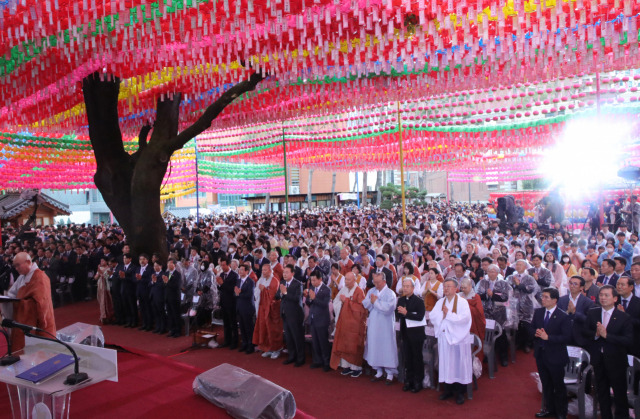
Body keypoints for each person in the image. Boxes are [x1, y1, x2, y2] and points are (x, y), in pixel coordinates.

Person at [583, 285, 633, 419]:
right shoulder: (593, 312)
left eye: (606, 295)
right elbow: (585, 331)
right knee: (601, 392)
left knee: (619, 394)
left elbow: (628, 340)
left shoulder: (624, 317)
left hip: (616, 361)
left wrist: (607, 335)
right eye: (601, 295)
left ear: (615, 298)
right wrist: (596, 334)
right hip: (598, 359)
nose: (603, 298)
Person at [430, 278, 473, 405]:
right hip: (444, 338)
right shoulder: (440, 302)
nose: (446, 289)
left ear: (456, 288)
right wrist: (442, 316)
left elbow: (464, 319)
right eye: (445, 286)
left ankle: (460, 392)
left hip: (457, 339)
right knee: (446, 364)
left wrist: (448, 315)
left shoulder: (462, 302)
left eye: (449, 286)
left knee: (458, 365)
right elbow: (433, 316)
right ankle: (447, 390)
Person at [530, 288, 571, 419]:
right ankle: (549, 408)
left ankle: (561, 412)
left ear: (555, 300)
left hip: (556, 356)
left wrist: (549, 338)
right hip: (541, 354)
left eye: (546, 297)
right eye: (543, 297)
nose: (543, 299)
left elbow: (567, 337)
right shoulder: (538, 312)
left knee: (558, 386)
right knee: (546, 383)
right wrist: (535, 333)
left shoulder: (563, 316)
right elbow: (531, 327)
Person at [2, 252, 56, 351]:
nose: (16, 268)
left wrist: (20, 303)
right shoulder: (22, 277)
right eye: (15, 266)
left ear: (27, 262)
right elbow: (11, 294)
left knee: (40, 352)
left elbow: (41, 303)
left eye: (18, 265)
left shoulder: (40, 277)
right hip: (24, 320)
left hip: (38, 322)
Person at [363, 272, 398, 385]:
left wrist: (376, 302)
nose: (376, 284)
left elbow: (388, 308)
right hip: (374, 323)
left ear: (384, 281)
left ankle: (390, 373)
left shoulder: (390, 293)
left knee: (387, 346)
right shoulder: (371, 291)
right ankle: (378, 370)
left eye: (378, 282)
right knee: (374, 344)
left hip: (386, 324)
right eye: (374, 282)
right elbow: (365, 303)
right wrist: (372, 302)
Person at [330, 272, 367, 377]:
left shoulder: (359, 291)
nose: (346, 281)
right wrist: (342, 303)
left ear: (354, 280)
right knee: (344, 343)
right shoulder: (343, 289)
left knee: (353, 344)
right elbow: (336, 301)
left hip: (354, 324)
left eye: (348, 280)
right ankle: (346, 366)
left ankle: (356, 368)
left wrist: (346, 301)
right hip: (343, 322)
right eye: (345, 279)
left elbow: (361, 308)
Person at [396, 277, 427, 393]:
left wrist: (406, 313)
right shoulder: (401, 300)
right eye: (404, 286)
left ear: (413, 288)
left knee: (417, 358)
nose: (405, 288)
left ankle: (418, 382)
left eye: (407, 286)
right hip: (405, 333)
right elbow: (397, 314)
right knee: (407, 358)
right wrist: (402, 314)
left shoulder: (419, 301)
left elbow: (420, 317)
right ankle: (408, 381)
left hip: (416, 334)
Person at [476, 263, 511, 365]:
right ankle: (487, 355)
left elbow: (505, 297)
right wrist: (486, 294)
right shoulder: (483, 282)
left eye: (493, 271)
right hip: (486, 312)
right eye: (489, 271)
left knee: (501, 335)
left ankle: (503, 357)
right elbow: (478, 294)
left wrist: (493, 295)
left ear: (497, 273)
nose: (491, 273)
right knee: (487, 334)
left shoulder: (503, 283)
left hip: (499, 313)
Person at [508, 259, 540, 353]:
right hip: (514, 304)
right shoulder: (511, 277)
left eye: (520, 265)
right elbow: (507, 287)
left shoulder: (530, 278)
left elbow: (530, 289)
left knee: (527, 325)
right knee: (517, 325)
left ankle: (527, 344)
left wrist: (519, 284)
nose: (518, 266)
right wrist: (514, 286)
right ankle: (518, 342)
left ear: (525, 267)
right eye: (517, 264)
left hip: (527, 304)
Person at [253, 264, 283, 359]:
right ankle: (268, 348)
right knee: (264, 328)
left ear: (270, 271)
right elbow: (256, 292)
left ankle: (276, 349)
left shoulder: (275, 281)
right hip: (262, 307)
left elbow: (273, 296)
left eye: (265, 270)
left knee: (272, 330)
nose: (263, 272)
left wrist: (264, 290)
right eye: (262, 270)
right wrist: (261, 290)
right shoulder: (261, 280)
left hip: (272, 310)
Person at [277, 264, 305, 367]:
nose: (284, 274)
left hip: (295, 315)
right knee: (288, 337)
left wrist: (285, 293)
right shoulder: (282, 282)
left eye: (287, 272)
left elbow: (297, 299)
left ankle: (300, 358)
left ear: (292, 273)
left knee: (297, 337)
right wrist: (281, 293)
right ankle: (291, 356)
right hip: (285, 314)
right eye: (284, 272)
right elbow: (277, 295)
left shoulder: (298, 284)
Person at [557, 275, 594, 347]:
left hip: (580, 337)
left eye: (575, 284)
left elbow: (589, 321)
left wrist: (575, 313)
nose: (572, 286)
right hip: (563, 336)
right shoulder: (561, 300)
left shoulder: (588, 302)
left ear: (581, 287)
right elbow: (557, 316)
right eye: (570, 283)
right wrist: (567, 312)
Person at [305, 270, 331, 371]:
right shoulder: (311, 288)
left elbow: (325, 304)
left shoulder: (326, 289)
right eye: (311, 280)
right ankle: (317, 361)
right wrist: (310, 299)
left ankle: (326, 362)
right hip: (313, 318)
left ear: (320, 279)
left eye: (314, 280)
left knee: (323, 342)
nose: (312, 282)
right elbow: (308, 302)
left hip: (322, 319)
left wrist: (314, 298)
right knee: (315, 342)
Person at [459, 277, 486, 362]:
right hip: (462, 323)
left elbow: (479, 312)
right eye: (462, 288)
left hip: (473, 323)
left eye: (465, 288)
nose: (463, 289)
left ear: (470, 286)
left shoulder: (476, 296)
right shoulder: (459, 295)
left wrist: (466, 303)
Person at [216, 257, 240, 349]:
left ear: (229, 265)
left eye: (224, 265)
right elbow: (221, 289)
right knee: (225, 323)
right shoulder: (221, 274)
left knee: (233, 323)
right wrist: (219, 285)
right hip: (223, 301)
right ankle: (227, 340)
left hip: (231, 302)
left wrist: (222, 284)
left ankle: (235, 342)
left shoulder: (234, 275)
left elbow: (232, 289)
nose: (222, 267)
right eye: (221, 265)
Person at [615, 275, 640, 357]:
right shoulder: (613, 300)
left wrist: (625, 316)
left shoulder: (638, 302)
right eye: (618, 284)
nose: (619, 287)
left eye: (622, 285)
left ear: (631, 287)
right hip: (616, 342)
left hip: (634, 343)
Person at [235, 263, 256, 354]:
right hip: (239, 306)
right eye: (239, 270)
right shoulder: (238, 281)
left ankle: (250, 345)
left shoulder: (251, 282)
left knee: (248, 327)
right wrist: (237, 293)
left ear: (247, 271)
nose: (240, 271)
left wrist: (240, 293)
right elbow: (235, 293)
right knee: (242, 327)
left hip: (247, 307)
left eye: (242, 270)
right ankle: (244, 343)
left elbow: (250, 295)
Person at [163, 258, 182, 338]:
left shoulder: (178, 274)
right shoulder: (166, 273)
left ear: (174, 264)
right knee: (169, 314)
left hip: (174, 297)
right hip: (167, 297)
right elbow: (164, 285)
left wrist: (167, 282)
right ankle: (172, 330)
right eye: (168, 264)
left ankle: (178, 331)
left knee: (176, 314)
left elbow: (176, 286)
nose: (169, 265)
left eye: (170, 263)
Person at [135, 254, 153, 331]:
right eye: (140, 259)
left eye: (143, 259)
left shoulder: (150, 269)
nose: (142, 261)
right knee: (142, 309)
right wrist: (137, 279)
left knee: (148, 309)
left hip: (147, 292)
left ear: (147, 260)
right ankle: (144, 324)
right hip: (139, 292)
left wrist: (141, 279)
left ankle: (149, 325)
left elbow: (150, 280)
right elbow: (134, 279)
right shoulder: (138, 268)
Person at [121, 253, 138, 328]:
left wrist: (125, 277)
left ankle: (134, 321)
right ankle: (128, 320)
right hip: (123, 289)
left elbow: (134, 279)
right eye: (124, 259)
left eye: (126, 258)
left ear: (130, 259)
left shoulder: (134, 267)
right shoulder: (122, 267)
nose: (124, 260)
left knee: (132, 305)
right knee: (126, 305)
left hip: (131, 289)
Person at [150, 261, 168, 334]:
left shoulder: (163, 274)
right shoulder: (153, 274)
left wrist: (155, 282)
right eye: (154, 266)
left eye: (157, 266)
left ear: (160, 266)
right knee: (155, 312)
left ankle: (163, 328)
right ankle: (157, 327)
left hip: (160, 296)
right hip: (153, 296)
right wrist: (152, 282)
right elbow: (149, 284)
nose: (155, 267)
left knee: (161, 313)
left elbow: (163, 285)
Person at [96, 257, 114, 324]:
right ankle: (103, 316)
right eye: (101, 261)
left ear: (106, 261)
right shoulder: (100, 268)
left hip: (107, 287)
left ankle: (109, 316)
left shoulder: (109, 268)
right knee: (101, 302)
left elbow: (107, 277)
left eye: (103, 260)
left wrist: (101, 273)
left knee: (107, 301)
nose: (101, 262)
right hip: (100, 286)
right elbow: (95, 277)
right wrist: (98, 273)